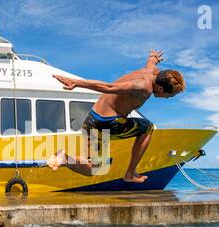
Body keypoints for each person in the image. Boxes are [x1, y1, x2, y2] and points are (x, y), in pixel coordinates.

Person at [47, 50, 186, 183]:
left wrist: (153, 58)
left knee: (95, 168)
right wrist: (77, 83)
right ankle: (130, 174)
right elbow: (109, 87)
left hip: (91, 120)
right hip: (108, 123)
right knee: (147, 128)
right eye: (169, 96)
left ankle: (64, 159)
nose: (167, 98)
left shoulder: (152, 72)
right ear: (161, 89)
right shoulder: (143, 87)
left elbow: (150, 63)